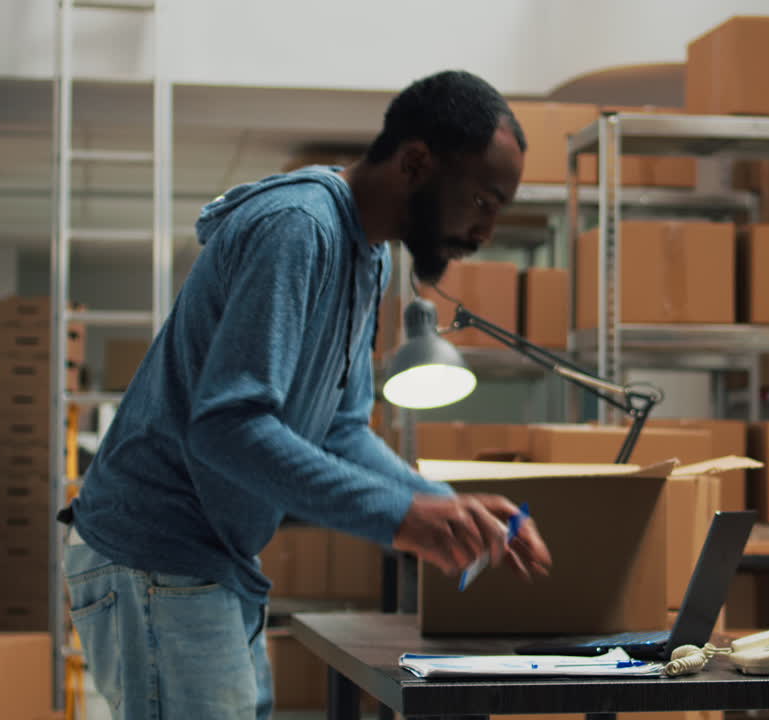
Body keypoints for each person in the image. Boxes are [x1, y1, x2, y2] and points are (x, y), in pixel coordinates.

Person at [61, 69, 552, 719]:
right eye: (483, 202)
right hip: (156, 550)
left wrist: (442, 507)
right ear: (415, 163)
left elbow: (341, 430)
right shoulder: (298, 226)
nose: (486, 231)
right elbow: (227, 426)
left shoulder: (367, 257)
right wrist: (400, 517)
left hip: (211, 559)